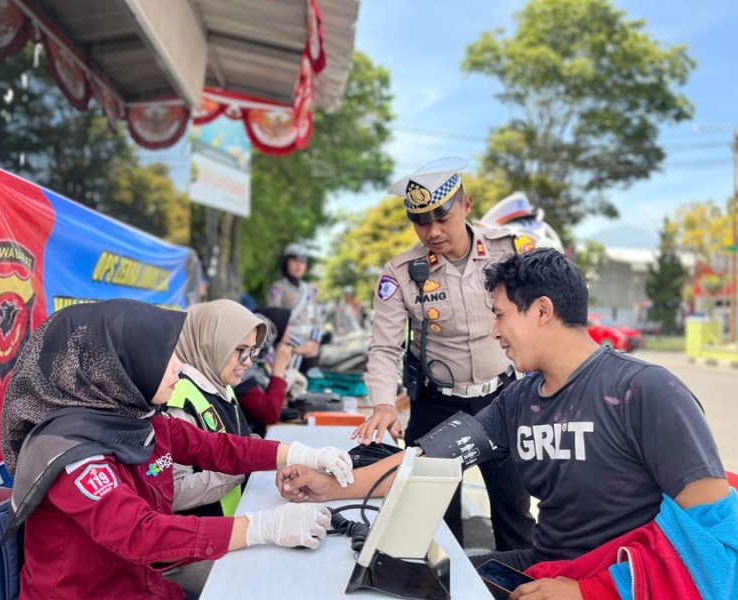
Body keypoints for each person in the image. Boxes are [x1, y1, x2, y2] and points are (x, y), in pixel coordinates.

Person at [278, 248, 731, 598]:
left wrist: (593, 591)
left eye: (499, 315)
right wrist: (333, 485)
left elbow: (718, 539)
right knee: (409, 582)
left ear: (542, 310)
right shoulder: (520, 399)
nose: (494, 332)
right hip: (545, 564)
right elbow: (428, 461)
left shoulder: (646, 391)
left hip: (609, 580)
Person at [0, 299, 353, 599]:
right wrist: (261, 527)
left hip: (141, 582)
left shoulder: (134, 419)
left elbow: (218, 448)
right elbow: (139, 533)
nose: (180, 368)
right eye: (165, 358)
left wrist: (300, 454)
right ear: (121, 365)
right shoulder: (68, 452)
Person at [352, 157, 534, 550]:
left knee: (515, 514)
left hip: (502, 402)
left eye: (442, 218)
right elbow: (383, 347)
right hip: (437, 407)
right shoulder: (401, 272)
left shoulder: (510, 251)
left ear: (466, 206)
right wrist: (383, 404)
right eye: (420, 221)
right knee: (434, 521)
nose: (432, 231)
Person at [166, 299, 263, 518]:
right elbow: (174, 491)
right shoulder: (179, 399)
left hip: (230, 533)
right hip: (204, 545)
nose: (247, 361)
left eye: (252, 351)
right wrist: (242, 465)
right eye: (239, 350)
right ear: (209, 345)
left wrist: (256, 448)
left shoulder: (221, 384)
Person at [234, 306, 296, 436]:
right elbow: (270, 413)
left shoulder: (260, 362)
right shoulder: (240, 368)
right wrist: (279, 369)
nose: (291, 331)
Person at [267, 242, 322, 372]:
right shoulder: (278, 288)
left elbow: (317, 320)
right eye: (295, 261)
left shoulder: (310, 290)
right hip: (288, 348)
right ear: (287, 263)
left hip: (310, 349)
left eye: (303, 262)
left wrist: (314, 342)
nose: (299, 266)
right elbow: (273, 319)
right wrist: (294, 346)